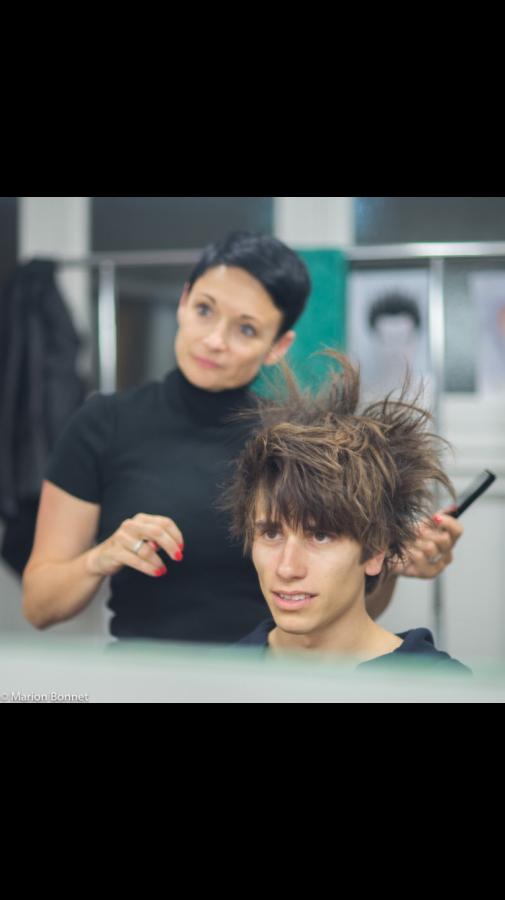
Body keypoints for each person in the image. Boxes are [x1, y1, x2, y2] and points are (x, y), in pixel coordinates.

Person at [22, 232, 463, 644]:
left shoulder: (296, 442)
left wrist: (392, 569)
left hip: (263, 678)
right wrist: (100, 557)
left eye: (246, 329)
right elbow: (39, 605)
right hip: (143, 679)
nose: (215, 340)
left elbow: (354, 609)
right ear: (183, 302)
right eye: (204, 310)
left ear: (278, 346)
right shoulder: (101, 424)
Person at [222, 351, 469, 672]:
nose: (287, 568)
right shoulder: (220, 679)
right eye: (271, 533)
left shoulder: (436, 685)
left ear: (376, 550)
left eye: (321, 536)